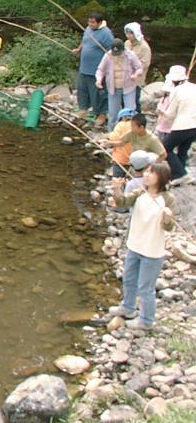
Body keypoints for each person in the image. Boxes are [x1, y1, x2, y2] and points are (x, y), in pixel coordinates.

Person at [107, 163, 176, 330]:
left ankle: (146, 321)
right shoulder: (139, 192)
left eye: (151, 172)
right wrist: (117, 189)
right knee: (129, 279)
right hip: (135, 245)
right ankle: (128, 308)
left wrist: (167, 217)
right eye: (146, 171)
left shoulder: (167, 199)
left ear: (161, 177)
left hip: (152, 251)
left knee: (146, 288)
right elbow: (122, 202)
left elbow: (169, 227)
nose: (146, 174)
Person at [73, 12, 114, 126]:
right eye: (89, 22)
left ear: (99, 22)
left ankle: (102, 113)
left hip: (97, 70)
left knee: (98, 93)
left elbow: (111, 51)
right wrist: (79, 49)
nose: (90, 24)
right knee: (82, 89)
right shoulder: (88, 29)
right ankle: (83, 109)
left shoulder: (106, 33)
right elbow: (84, 40)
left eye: (93, 22)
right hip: (84, 68)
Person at [159, 65, 196, 186]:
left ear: (173, 80)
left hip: (182, 125)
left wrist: (161, 112)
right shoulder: (194, 87)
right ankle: (178, 174)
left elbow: (170, 115)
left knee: (165, 148)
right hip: (194, 126)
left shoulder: (176, 91)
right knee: (183, 149)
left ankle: (181, 174)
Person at [95, 39, 143, 131]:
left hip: (129, 88)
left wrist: (136, 75)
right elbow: (100, 70)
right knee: (113, 114)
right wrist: (99, 80)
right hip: (113, 89)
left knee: (130, 112)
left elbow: (139, 68)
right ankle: (112, 134)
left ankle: (130, 133)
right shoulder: (108, 56)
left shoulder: (130, 55)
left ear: (123, 50)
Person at [102, 113, 166, 161]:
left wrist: (153, 166)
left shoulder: (152, 139)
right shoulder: (132, 133)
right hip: (134, 165)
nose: (131, 128)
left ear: (141, 128)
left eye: (133, 126)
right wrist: (110, 143)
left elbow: (163, 155)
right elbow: (121, 142)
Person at [124, 22, 152, 107]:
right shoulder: (127, 43)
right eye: (127, 33)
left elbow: (145, 64)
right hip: (124, 77)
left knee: (135, 100)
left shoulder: (144, 47)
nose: (128, 35)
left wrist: (133, 69)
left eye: (131, 33)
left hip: (136, 79)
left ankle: (137, 116)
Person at [107, 108, 136, 178]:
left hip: (120, 159)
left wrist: (109, 137)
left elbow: (114, 137)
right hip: (133, 160)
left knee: (117, 179)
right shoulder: (136, 126)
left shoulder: (120, 125)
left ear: (123, 118)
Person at [155, 69, 176, 144]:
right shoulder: (163, 99)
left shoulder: (174, 99)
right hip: (161, 125)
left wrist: (162, 112)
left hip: (169, 126)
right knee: (160, 143)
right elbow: (158, 109)